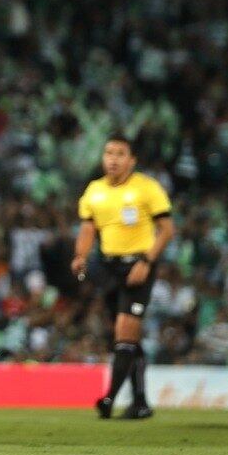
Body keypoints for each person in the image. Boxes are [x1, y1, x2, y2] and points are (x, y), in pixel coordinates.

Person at [71, 135, 174, 420]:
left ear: (132, 160)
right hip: (108, 268)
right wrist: (80, 256)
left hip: (138, 265)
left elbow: (166, 229)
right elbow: (88, 229)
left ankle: (109, 399)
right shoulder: (95, 190)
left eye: (120, 153)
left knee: (125, 334)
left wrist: (147, 261)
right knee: (123, 339)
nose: (113, 159)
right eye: (108, 153)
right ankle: (140, 402)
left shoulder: (147, 188)